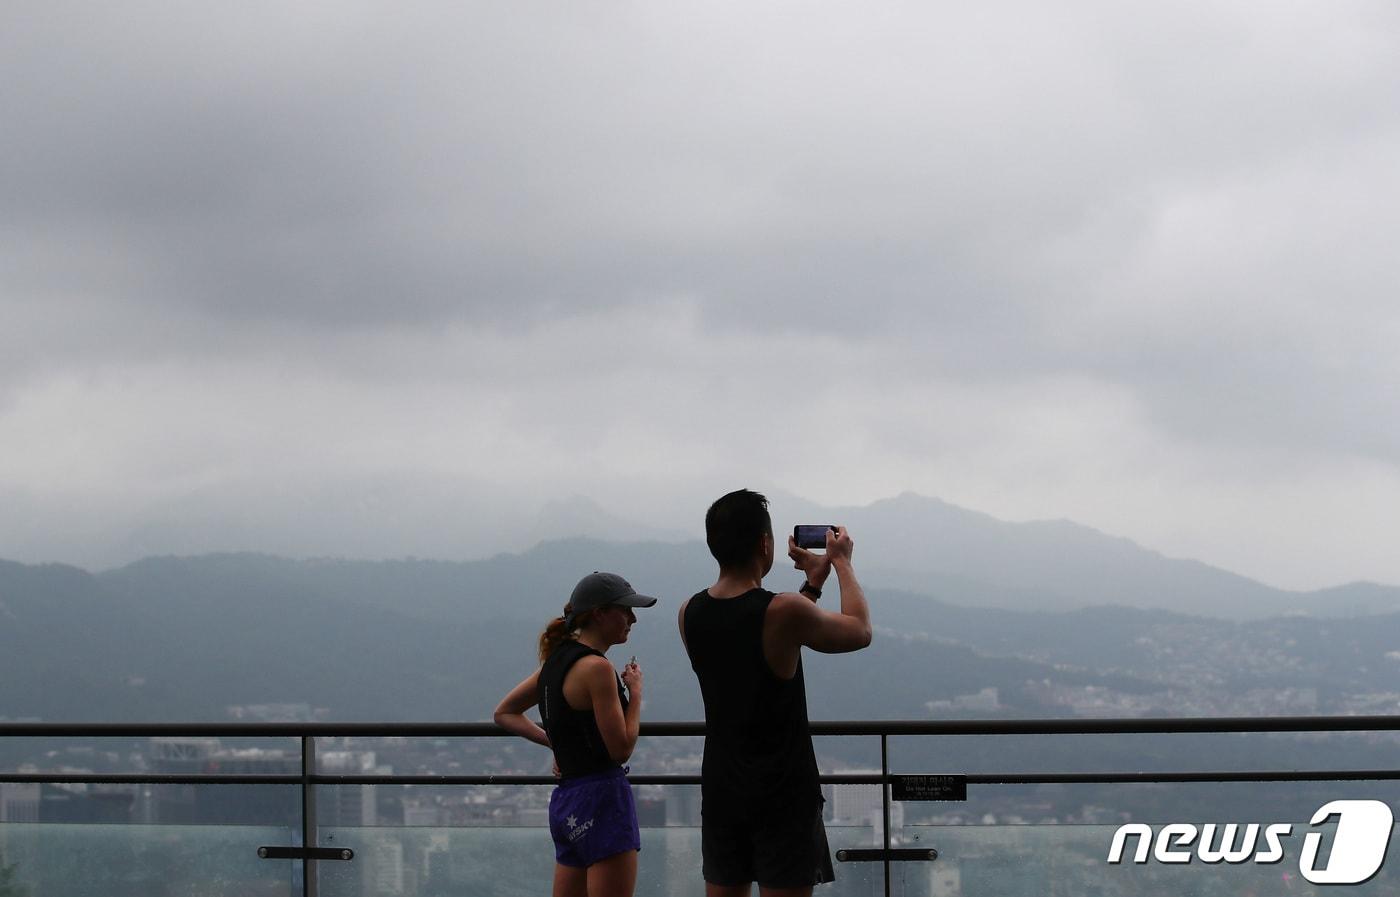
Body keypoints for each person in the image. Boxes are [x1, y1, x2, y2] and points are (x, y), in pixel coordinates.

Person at [679, 489, 872, 897]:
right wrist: (841, 564)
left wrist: (812, 586)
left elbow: (755, 644)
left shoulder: (689, 613)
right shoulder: (783, 611)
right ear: (765, 544)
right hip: (783, 794)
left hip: (721, 790)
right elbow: (859, 630)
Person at [495, 572, 656, 897]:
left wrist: (559, 744)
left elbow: (504, 713)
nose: (633, 619)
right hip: (603, 798)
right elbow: (621, 748)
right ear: (599, 613)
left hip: (567, 801)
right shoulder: (596, 668)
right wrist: (635, 694)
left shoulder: (555, 663)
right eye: (625, 610)